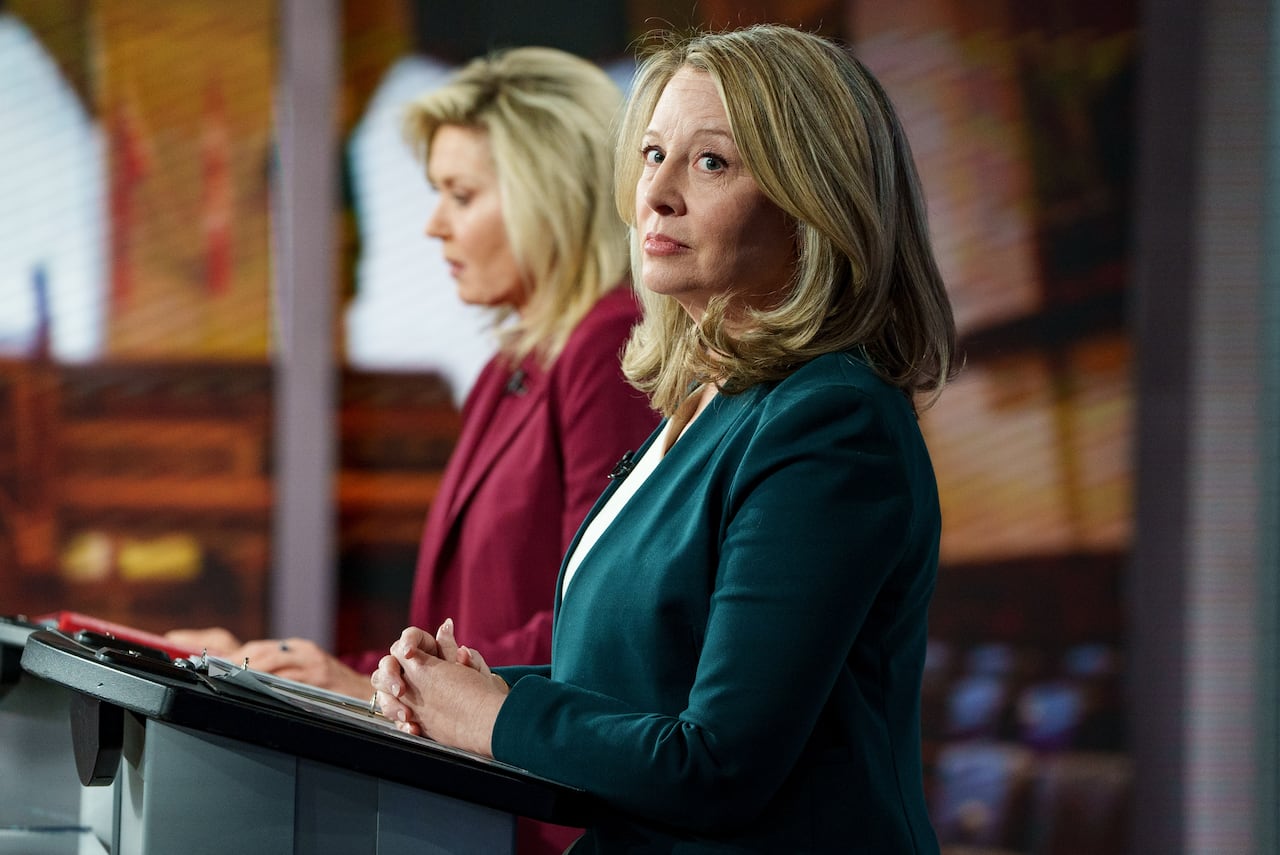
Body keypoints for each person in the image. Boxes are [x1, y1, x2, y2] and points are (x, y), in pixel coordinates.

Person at [372, 24, 958, 854]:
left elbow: (717, 762)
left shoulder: (832, 421)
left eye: (711, 162)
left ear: (811, 201)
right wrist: (470, 687)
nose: (657, 193)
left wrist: (499, 716)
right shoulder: (707, 404)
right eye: (652, 155)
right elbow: (644, 684)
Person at [168, 47, 658, 855]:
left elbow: (596, 633)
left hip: (540, 810)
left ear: (551, 198)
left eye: (460, 195)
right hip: (486, 797)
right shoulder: (513, 367)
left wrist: (377, 690)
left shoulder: (606, 348)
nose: (434, 224)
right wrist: (285, 670)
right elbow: (459, 629)